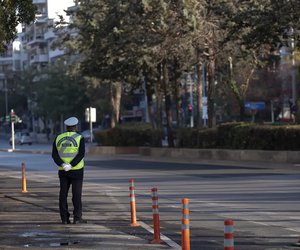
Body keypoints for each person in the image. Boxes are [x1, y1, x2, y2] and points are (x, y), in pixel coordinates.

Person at [52, 116, 87, 224]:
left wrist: (62, 164)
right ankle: (77, 218)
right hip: (76, 170)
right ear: (75, 126)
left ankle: (64, 219)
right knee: (76, 195)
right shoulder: (79, 137)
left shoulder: (58, 137)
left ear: (66, 126)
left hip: (63, 170)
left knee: (63, 194)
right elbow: (81, 154)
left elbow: (54, 154)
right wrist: (71, 165)